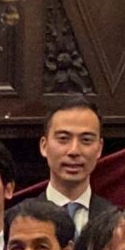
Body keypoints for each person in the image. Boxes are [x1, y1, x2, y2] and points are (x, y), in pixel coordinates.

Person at [38, 98, 114, 231]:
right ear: (44, 146)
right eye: (63, 139)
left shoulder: (117, 222)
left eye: (86, 140)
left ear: (99, 148)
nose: (74, 151)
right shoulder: (18, 219)